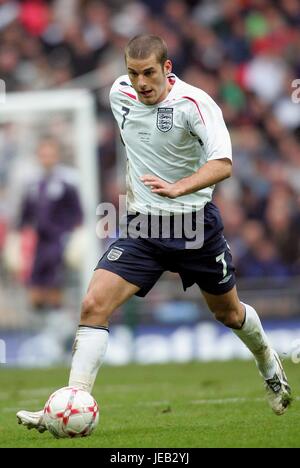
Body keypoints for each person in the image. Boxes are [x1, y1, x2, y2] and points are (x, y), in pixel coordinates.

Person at [17, 35, 291, 432]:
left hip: (194, 225)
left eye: (148, 73)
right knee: (93, 304)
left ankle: (268, 363)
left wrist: (181, 186)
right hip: (143, 226)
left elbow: (223, 162)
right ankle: (69, 402)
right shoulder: (119, 94)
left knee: (228, 313)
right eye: (133, 72)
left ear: (167, 68)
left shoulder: (196, 104)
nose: (140, 82)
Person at [17, 137, 83, 311]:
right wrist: (18, 238)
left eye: (50, 155)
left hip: (59, 240)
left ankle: (58, 320)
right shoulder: (32, 183)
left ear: (57, 156)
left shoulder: (67, 182)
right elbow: (25, 215)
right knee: (34, 285)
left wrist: (74, 236)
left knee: (56, 283)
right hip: (38, 242)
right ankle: (37, 323)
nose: (46, 158)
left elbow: (77, 213)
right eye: (43, 155)